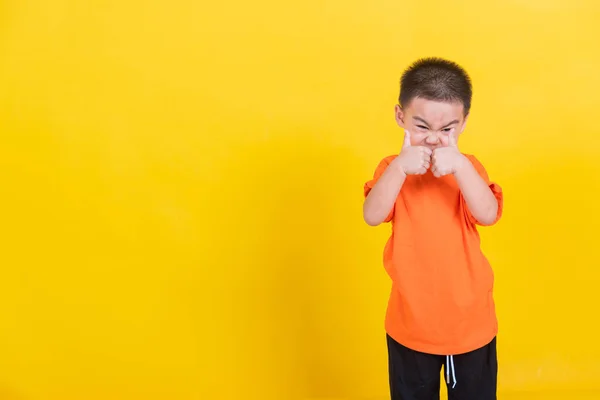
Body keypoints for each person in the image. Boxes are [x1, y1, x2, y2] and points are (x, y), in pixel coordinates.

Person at [363, 57, 504, 400]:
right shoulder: (391, 169)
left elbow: (487, 213)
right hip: (410, 324)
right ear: (401, 117)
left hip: (470, 325)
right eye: (422, 127)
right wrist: (399, 168)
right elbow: (372, 214)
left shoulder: (468, 168)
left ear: (464, 123)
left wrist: (458, 166)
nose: (434, 140)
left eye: (447, 130)